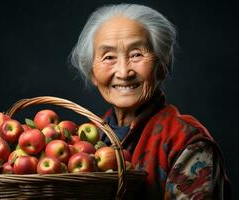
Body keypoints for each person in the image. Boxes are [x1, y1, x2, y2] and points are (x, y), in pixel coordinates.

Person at [70, 3, 231, 200]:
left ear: (162, 66)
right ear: (93, 73)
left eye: (136, 54)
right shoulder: (83, 141)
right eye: (109, 57)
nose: (123, 72)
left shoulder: (187, 142)